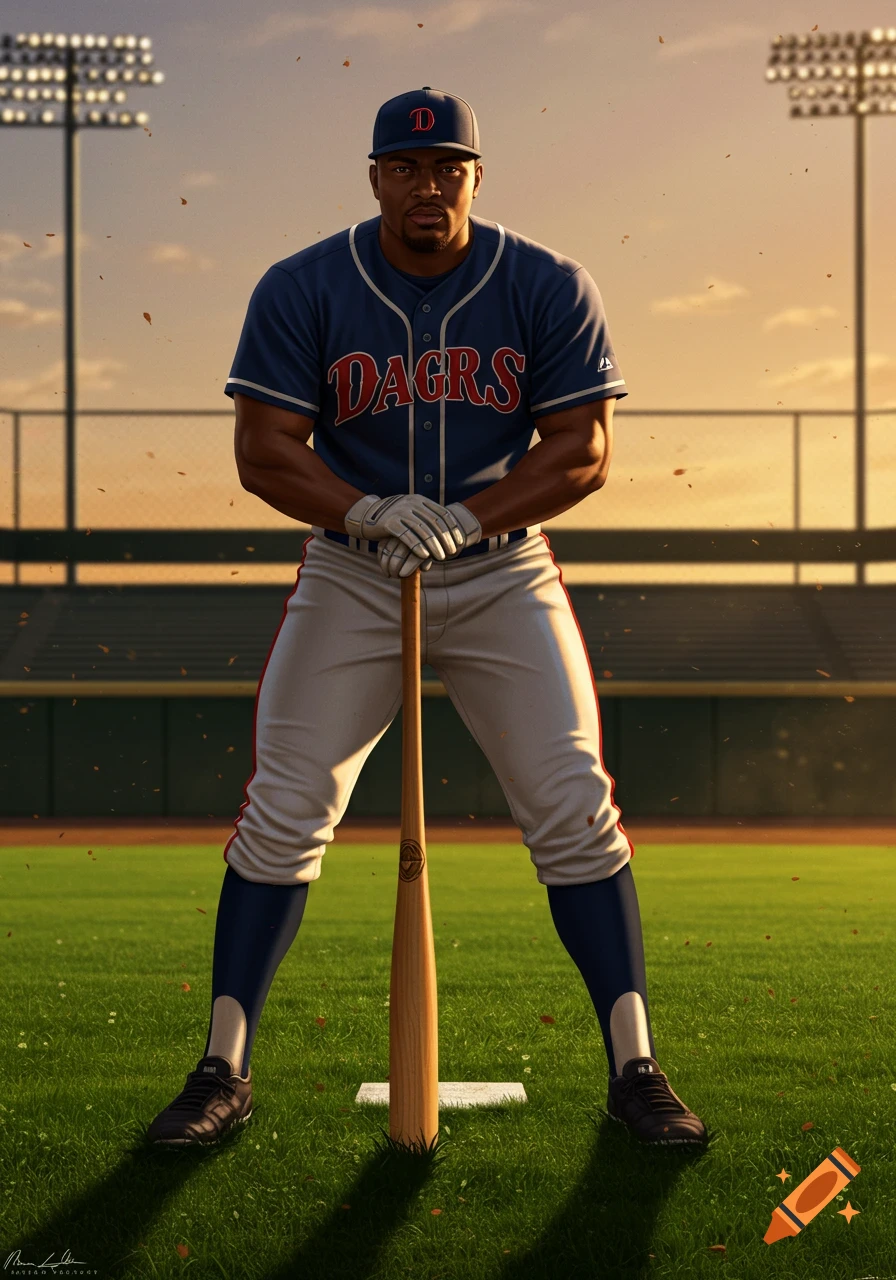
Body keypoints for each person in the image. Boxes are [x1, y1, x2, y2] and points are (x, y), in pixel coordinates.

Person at [147, 87, 707, 1147]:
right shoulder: (303, 285)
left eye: (447, 166)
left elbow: (581, 450)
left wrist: (468, 516)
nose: (426, 185)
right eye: (405, 168)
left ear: (475, 177)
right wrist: (361, 508)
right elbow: (264, 448)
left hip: (501, 567)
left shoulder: (544, 283)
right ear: (373, 177)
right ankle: (221, 1067)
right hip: (353, 569)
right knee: (284, 807)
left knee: (572, 803)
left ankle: (635, 1066)